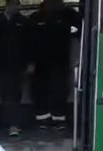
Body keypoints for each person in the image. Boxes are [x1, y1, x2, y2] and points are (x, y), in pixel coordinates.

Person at [29, 0, 81, 130]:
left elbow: (80, 29)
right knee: (40, 91)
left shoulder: (68, 15)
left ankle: (59, 120)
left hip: (60, 60)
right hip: (40, 62)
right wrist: (30, 62)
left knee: (60, 90)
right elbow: (27, 41)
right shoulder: (35, 17)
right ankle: (42, 120)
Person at [0, 0, 31, 137]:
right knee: (5, 94)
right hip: (1, 64)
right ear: (8, 5)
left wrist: (30, 63)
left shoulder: (23, 21)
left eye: (18, 5)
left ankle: (14, 124)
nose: (16, 7)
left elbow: (30, 43)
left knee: (16, 94)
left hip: (18, 65)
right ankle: (10, 124)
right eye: (14, 5)